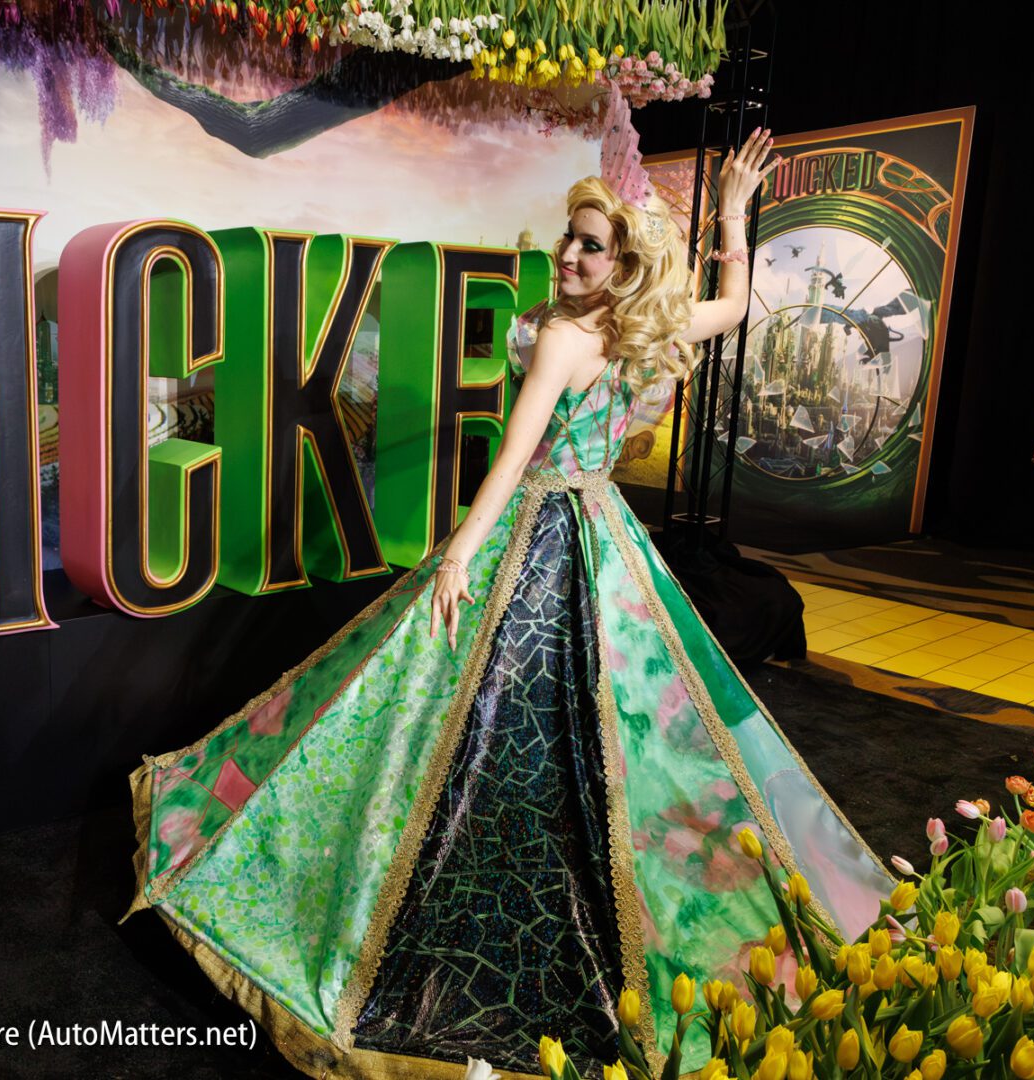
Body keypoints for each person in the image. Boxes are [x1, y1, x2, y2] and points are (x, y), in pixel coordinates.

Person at [125, 125, 891, 1079]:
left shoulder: (573, 333)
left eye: (591, 245)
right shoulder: (641, 327)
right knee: (615, 723)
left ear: (622, 263)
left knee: (469, 714)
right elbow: (734, 305)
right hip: (606, 535)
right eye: (568, 239)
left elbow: (517, 457)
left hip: (540, 532)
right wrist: (734, 218)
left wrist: (458, 557)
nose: (570, 255)